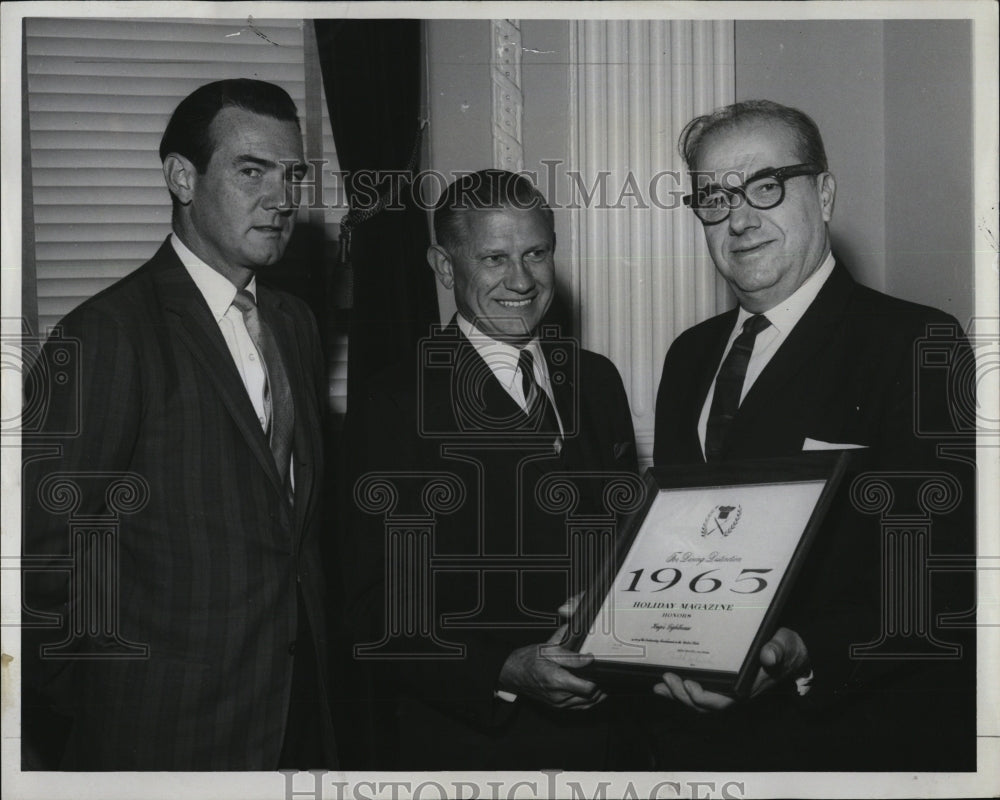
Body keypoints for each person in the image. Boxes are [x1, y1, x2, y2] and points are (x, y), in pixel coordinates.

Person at [650, 99, 975, 770]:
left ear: (823, 195)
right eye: (715, 196)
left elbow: (946, 574)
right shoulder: (687, 356)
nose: (739, 218)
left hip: (854, 741)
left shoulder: (916, 343)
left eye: (766, 185)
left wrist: (808, 654)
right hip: (699, 741)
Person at [22, 79, 337, 770]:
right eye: (251, 171)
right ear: (181, 178)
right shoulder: (107, 334)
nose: (282, 199)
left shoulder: (296, 324)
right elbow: (37, 558)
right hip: (160, 735)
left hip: (296, 719)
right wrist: (101, 707)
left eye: (292, 175)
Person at [342, 170, 640, 769]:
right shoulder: (396, 404)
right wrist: (504, 670)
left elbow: (629, 547)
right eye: (495, 259)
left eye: (536, 253)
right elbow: (374, 607)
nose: (522, 281)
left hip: (615, 733)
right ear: (446, 267)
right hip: (480, 744)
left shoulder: (597, 380)